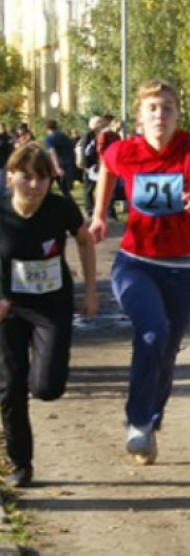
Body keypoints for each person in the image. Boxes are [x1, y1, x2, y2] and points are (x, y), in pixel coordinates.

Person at [89, 79, 190, 465]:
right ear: (140, 116)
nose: (159, 115)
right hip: (136, 264)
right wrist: (99, 215)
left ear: (177, 115)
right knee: (152, 332)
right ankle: (137, 422)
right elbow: (106, 168)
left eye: (167, 108)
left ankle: (151, 422)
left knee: (166, 353)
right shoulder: (126, 151)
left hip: (183, 268)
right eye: (152, 108)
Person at [0, 144, 98, 488]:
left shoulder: (60, 208)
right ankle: (21, 464)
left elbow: (85, 241)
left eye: (42, 178)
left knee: (46, 388)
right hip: (9, 309)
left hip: (51, 306)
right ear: (10, 177)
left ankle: (44, 375)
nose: (35, 185)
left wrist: (89, 291)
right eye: (26, 178)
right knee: (10, 387)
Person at [44, 120, 78, 199]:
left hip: (55, 166)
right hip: (66, 164)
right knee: (64, 189)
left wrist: (57, 168)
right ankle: (70, 205)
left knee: (46, 187)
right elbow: (72, 150)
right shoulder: (64, 137)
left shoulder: (49, 138)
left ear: (46, 128)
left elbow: (52, 153)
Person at [81, 116, 103, 216]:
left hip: (96, 165)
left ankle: (95, 208)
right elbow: (84, 151)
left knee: (96, 187)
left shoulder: (97, 134)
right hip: (89, 166)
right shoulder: (88, 135)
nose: (101, 124)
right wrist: (85, 165)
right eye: (99, 122)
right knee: (88, 188)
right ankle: (89, 209)